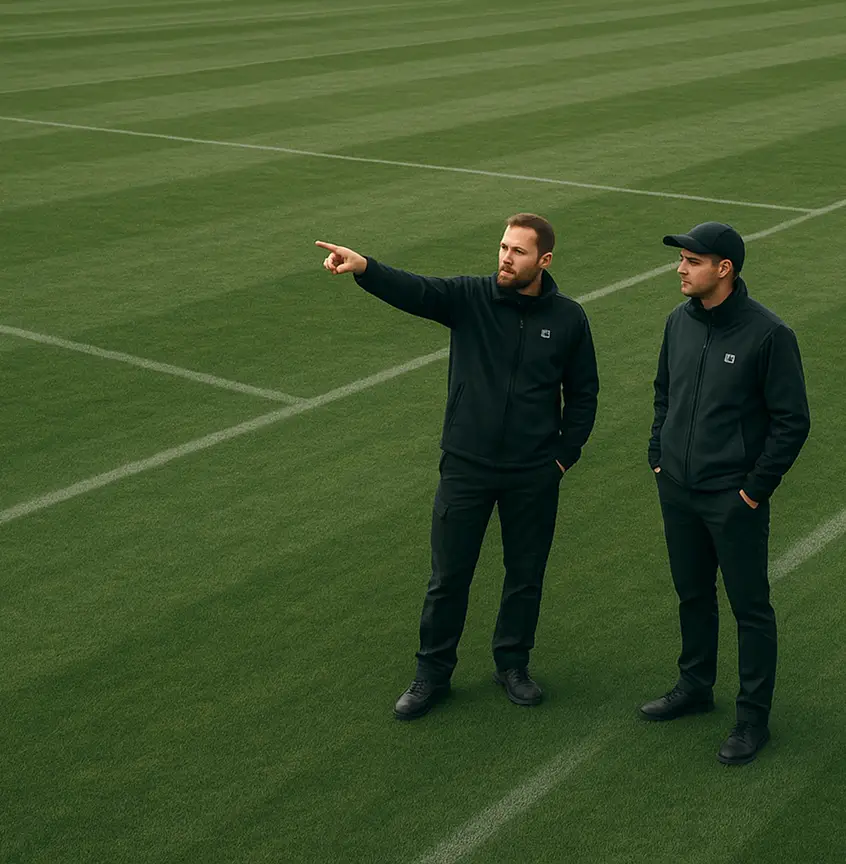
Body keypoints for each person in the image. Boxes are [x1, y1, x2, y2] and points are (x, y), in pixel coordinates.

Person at [316, 213, 599, 720]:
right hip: (466, 467)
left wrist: (560, 458)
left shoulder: (570, 319)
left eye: (518, 252)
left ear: (544, 261)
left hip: (532, 473)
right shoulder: (470, 298)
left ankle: (512, 664)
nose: (505, 258)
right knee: (448, 576)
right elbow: (417, 291)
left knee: (525, 573)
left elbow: (583, 395)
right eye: (503, 247)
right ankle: (431, 675)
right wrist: (365, 268)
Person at [641, 221, 810, 764]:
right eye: (682, 259)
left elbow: (792, 422)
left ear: (724, 269)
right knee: (692, 594)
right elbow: (664, 392)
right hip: (679, 490)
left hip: (732, 500)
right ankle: (695, 686)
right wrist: (659, 456)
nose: (680, 268)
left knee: (750, 608)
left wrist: (752, 492)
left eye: (692, 260)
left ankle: (752, 718)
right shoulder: (677, 322)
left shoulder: (768, 334)